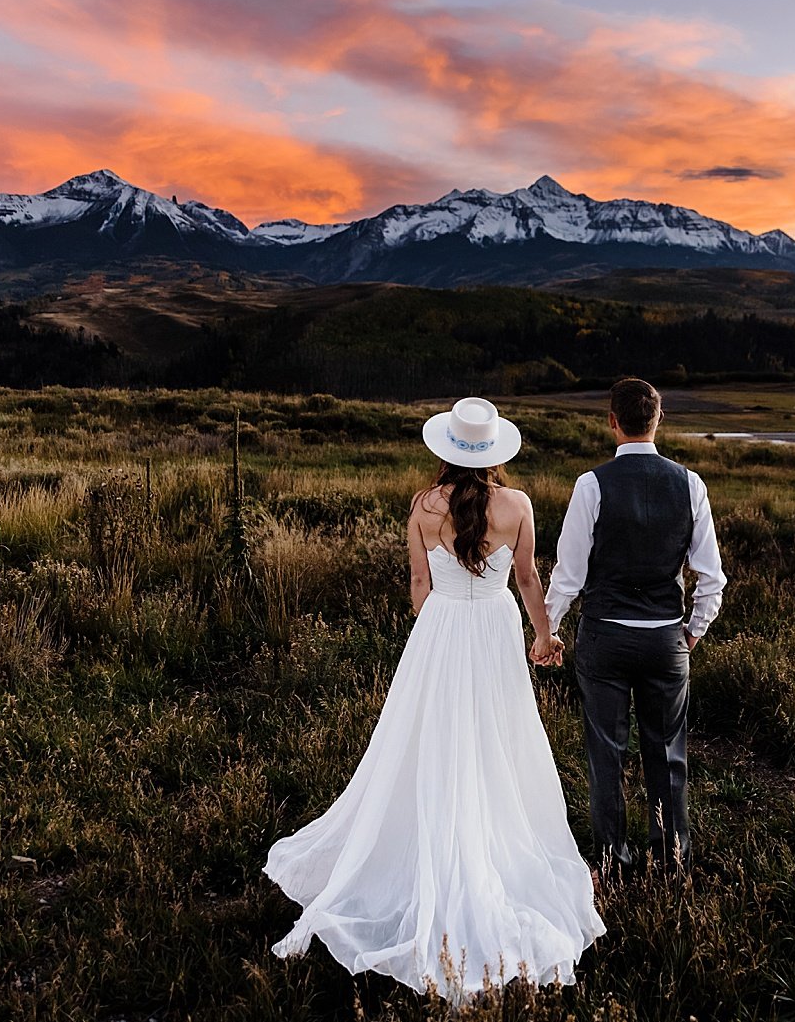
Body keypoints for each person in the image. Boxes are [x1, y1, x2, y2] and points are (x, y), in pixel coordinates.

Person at [264, 397, 604, 1001]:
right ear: (495, 451)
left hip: (442, 630)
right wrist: (544, 634)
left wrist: (434, 630)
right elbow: (527, 578)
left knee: (431, 736)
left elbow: (419, 587)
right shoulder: (518, 505)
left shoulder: (423, 507)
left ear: (446, 449)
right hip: (496, 632)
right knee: (496, 736)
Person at [547, 377, 726, 877]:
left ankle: (613, 861)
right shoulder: (691, 484)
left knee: (606, 753)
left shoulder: (591, 485)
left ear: (611, 420)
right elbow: (711, 576)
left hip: (604, 637)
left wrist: (548, 629)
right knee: (667, 754)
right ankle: (671, 861)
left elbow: (569, 574)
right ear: (658, 419)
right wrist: (691, 632)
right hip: (666, 638)